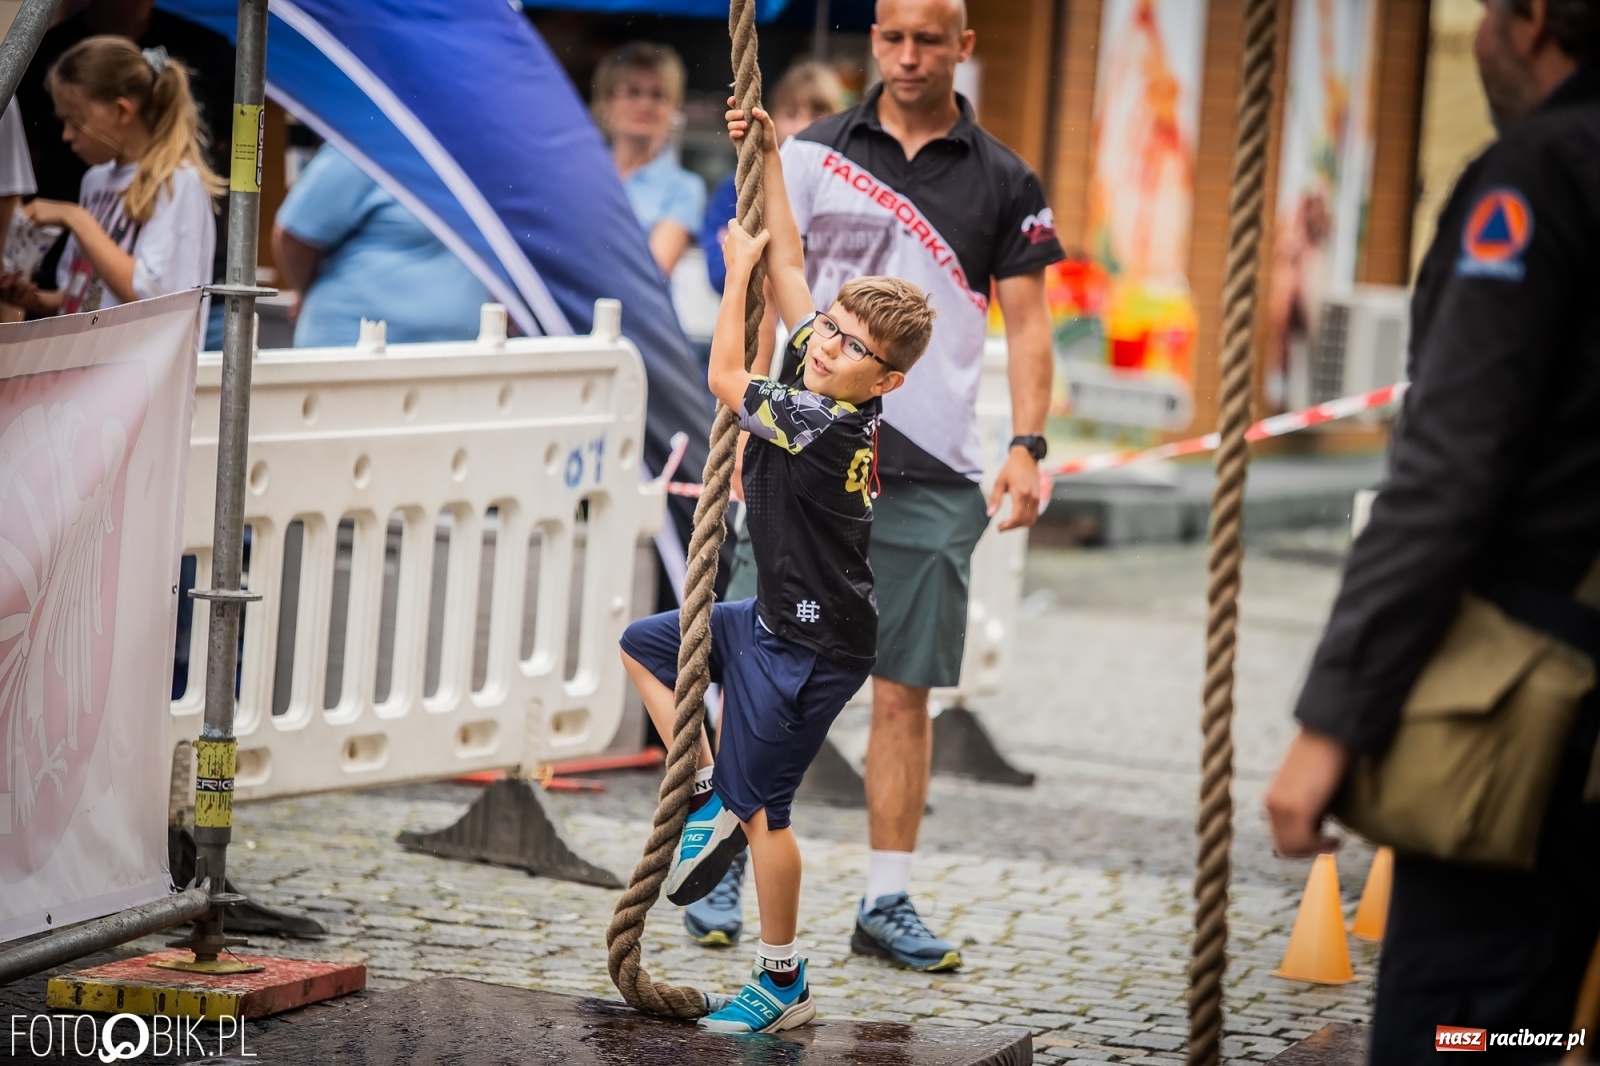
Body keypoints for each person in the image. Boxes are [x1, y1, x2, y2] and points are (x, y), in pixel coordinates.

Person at [684, 0, 1063, 972]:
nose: (903, 55)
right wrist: (767, 151)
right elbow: (787, 270)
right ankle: (729, 850)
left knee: (906, 692)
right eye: (889, 36)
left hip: (931, 466)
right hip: (801, 459)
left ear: (962, 48)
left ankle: (884, 898)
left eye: (926, 39)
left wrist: (1027, 439)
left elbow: (1028, 324)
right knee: (755, 662)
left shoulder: (1005, 178)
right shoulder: (812, 149)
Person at [1264, 2, 1600, 1060]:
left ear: (1534, 19)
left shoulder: (1542, 173)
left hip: (1534, 708)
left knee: (1465, 1034)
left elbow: (1449, 470)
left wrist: (1330, 724)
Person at [619, 99, 934, 1034]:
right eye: (831, 329)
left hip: (815, 643)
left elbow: (725, 379)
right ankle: (714, 782)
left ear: (884, 381)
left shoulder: (832, 422)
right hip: (768, 615)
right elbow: (790, 273)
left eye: (852, 349)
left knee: (771, 818)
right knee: (646, 643)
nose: (827, 345)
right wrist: (766, 151)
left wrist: (734, 275)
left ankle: (783, 978)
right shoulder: (824, 368)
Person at [16, 0, 234, 343]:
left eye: (76, 121)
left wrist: (75, 217)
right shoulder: (95, 181)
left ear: (121, 111)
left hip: (138, 380)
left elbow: (152, 293)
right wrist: (36, 300)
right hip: (88, 369)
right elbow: (86, 291)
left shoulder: (178, 182)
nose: (66, 136)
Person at [271, 144, 491, 348]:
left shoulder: (482, 150)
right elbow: (294, 235)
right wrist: (307, 290)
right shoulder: (369, 140)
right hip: (353, 353)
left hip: (463, 359)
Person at [701, 61, 846, 294]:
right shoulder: (735, 189)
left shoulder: (847, 193)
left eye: (817, 114)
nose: (803, 125)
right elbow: (720, 275)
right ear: (771, 118)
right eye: (790, 114)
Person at [592, 42, 705, 277]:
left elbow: (653, 274)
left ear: (674, 109)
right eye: (632, 91)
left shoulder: (685, 188)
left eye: (658, 95)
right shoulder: (580, 175)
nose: (645, 104)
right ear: (604, 102)